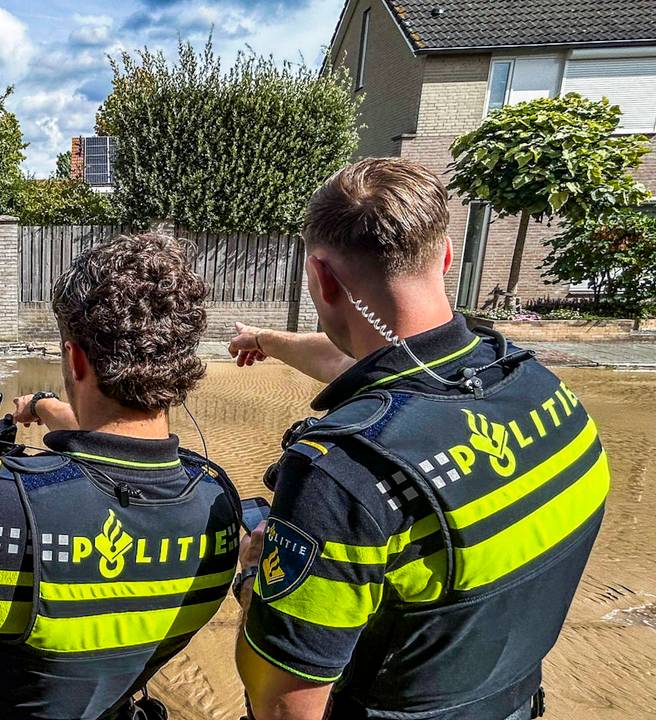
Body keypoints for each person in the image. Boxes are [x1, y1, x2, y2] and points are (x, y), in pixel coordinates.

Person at [227, 158, 608, 720]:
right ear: (447, 255)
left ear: (321, 278)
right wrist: (264, 338)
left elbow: (282, 703)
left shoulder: (339, 476)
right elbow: (364, 364)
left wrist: (258, 577)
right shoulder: (538, 386)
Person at [0, 234, 243, 720]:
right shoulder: (219, 505)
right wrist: (45, 407)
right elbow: (118, 450)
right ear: (177, 365)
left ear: (75, 359)